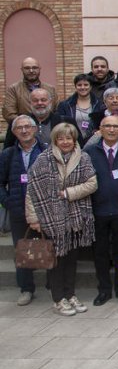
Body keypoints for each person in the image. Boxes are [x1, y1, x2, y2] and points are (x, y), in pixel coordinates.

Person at [26, 123, 97, 316]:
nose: (65, 142)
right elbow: (32, 190)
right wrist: (33, 218)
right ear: (55, 140)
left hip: (74, 217)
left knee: (71, 259)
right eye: (61, 138)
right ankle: (58, 299)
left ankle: (70, 294)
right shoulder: (43, 160)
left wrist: (68, 193)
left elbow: (92, 183)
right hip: (50, 217)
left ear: (74, 140)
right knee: (56, 260)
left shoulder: (83, 158)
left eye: (69, 138)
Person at [84, 115, 118, 306]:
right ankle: (104, 290)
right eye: (108, 126)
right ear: (100, 129)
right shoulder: (89, 152)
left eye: (116, 126)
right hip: (97, 210)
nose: (112, 130)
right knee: (100, 252)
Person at [0, 116, 48, 306]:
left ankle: (55, 286)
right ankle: (26, 289)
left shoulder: (46, 151)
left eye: (28, 126)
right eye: (19, 128)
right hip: (19, 210)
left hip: (45, 210)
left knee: (52, 247)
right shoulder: (8, 154)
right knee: (22, 250)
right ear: (14, 132)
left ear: (35, 129)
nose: (24, 130)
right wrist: (9, 202)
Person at [4, 89, 77, 149]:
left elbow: (78, 146)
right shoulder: (18, 123)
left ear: (50, 102)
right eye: (35, 100)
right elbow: (8, 149)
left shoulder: (66, 121)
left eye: (43, 100)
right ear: (30, 103)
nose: (39, 103)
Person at [3, 56, 57, 124]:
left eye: (34, 68)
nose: (31, 71)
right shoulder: (13, 89)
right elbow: (9, 114)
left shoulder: (51, 89)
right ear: (22, 69)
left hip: (48, 130)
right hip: (24, 131)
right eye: (27, 68)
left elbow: (57, 111)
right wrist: (30, 125)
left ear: (39, 69)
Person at [57, 74, 100, 144]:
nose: (83, 87)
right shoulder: (65, 105)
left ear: (91, 86)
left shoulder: (99, 104)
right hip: (71, 141)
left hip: (93, 141)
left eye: (86, 85)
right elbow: (60, 125)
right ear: (75, 86)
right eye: (79, 85)